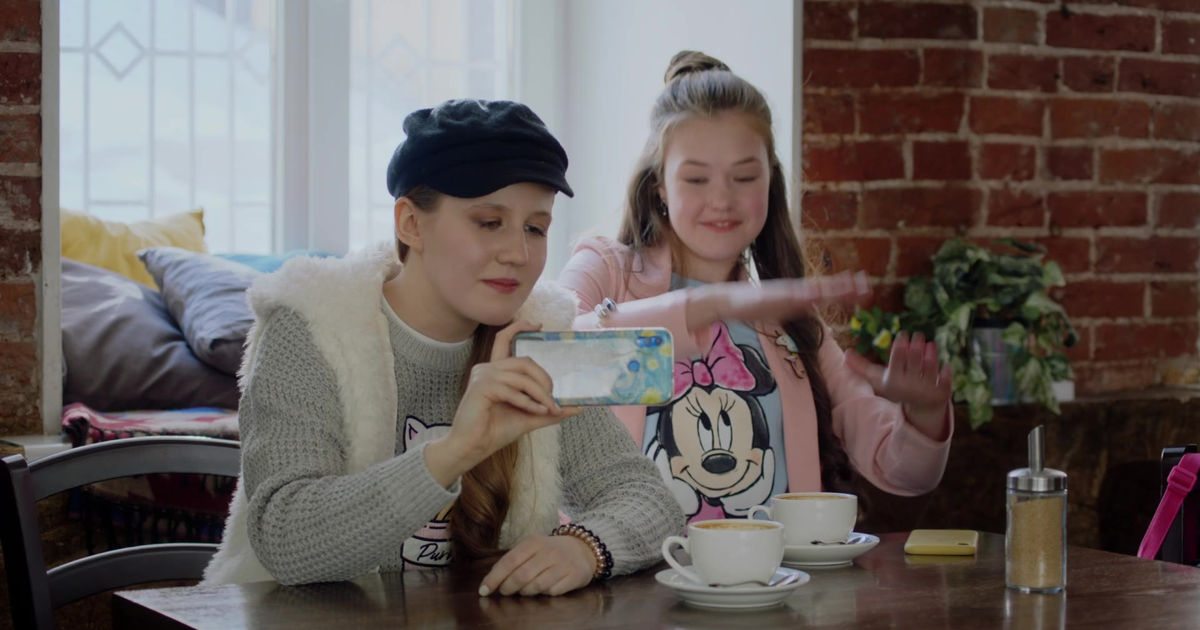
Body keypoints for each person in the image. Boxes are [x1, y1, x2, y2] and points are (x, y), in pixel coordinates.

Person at [204, 99, 684, 596]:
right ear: (410, 224)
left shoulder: (537, 338)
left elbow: (647, 499)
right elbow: (286, 539)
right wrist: (456, 451)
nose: (518, 253)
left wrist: (586, 548)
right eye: (489, 222)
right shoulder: (312, 327)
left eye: (535, 228)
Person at [558, 51, 954, 523]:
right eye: (696, 178)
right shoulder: (605, 268)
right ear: (659, 184)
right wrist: (709, 304)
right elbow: (546, 366)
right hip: (627, 569)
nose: (721, 199)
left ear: (770, 182)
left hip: (773, 570)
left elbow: (901, 470)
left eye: (744, 177)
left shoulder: (791, 324)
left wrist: (925, 414)